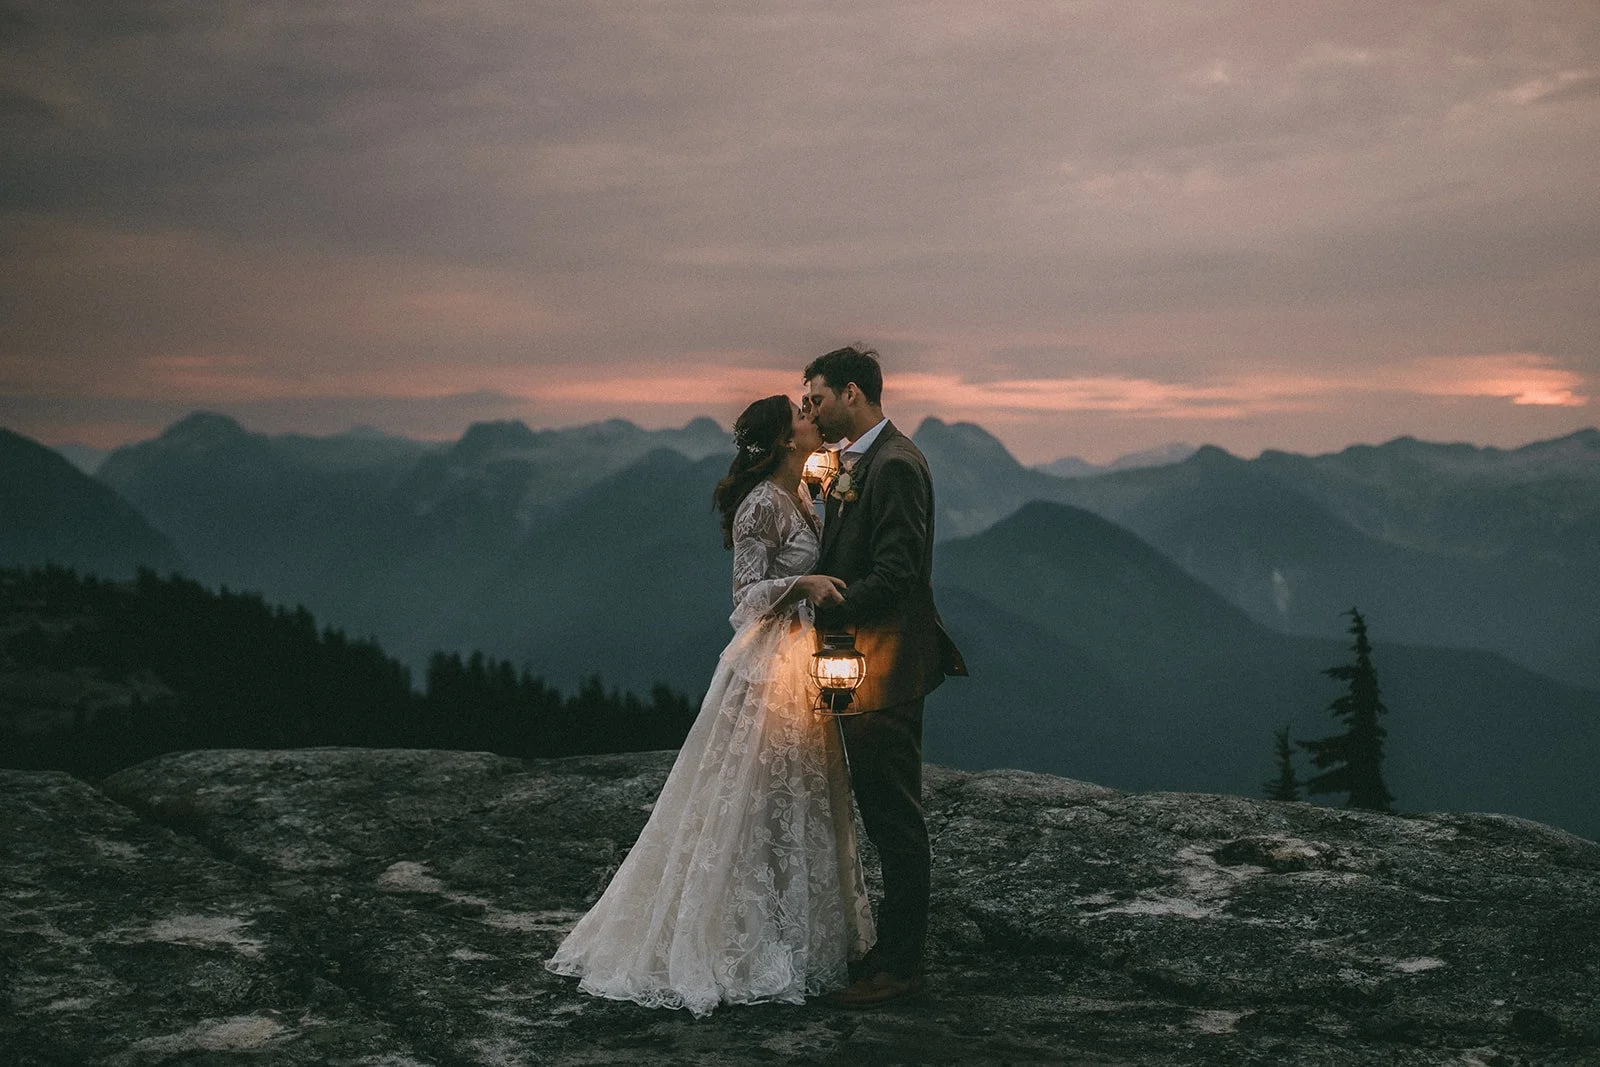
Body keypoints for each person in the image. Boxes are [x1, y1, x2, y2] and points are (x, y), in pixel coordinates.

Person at [545, 394, 874, 1017]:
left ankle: (797, 926)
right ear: (784, 439)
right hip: (771, 663)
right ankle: (742, 932)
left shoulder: (806, 488)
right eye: (803, 417)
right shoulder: (760, 506)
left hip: (806, 661)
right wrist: (801, 583)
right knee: (754, 795)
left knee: (797, 793)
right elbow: (746, 598)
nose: (814, 420)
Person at [802, 345, 967, 1008]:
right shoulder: (856, 462)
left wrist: (822, 601)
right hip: (863, 665)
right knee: (881, 809)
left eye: (816, 398)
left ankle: (901, 967)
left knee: (895, 818)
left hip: (886, 666)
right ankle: (891, 955)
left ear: (852, 392)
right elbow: (846, 540)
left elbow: (898, 573)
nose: (810, 409)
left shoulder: (895, 464)